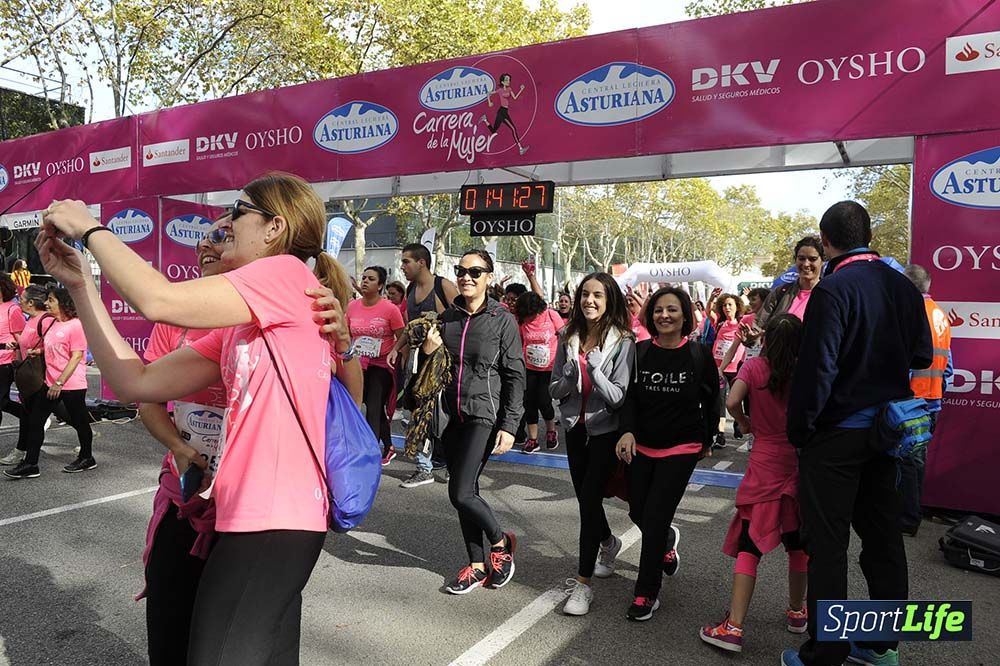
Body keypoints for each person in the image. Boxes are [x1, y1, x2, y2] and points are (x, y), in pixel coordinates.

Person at [37, 172, 350, 665]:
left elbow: (159, 299)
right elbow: (140, 382)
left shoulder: (285, 273)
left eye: (238, 211)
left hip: (273, 519)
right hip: (250, 518)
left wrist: (92, 230)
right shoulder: (242, 322)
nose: (223, 223)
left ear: (274, 228)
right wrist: (81, 287)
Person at [138, 218, 358, 665]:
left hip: (257, 517)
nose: (210, 245)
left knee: (254, 642)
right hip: (189, 497)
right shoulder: (181, 326)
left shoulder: (277, 316)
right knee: (175, 631)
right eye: (207, 238)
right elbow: (141, 388)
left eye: (224, 234)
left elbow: (344, 411)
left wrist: (345, 345)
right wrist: (181, 451)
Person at [782, 201, 932, 666]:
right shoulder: (903, 287)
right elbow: (923, 355)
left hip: (836, 439)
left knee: (828, 547)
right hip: (888, 436)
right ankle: (883, 646)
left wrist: (801, 431)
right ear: (870, 235)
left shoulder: (833, 289)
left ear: (826, 242)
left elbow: (817, 371)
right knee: (883, 540)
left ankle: (826, 653)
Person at [700, 314, 808, 653]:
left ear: (768, 339)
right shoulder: (807, 368)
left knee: (750, 544)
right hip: (798, 462)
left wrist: (746, 424)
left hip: (764, 462)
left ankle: (733, 627)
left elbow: (731, 401)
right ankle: (796, 612)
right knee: (797, 543)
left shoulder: (755, 367)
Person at [419, 249, 524, 594]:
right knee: (467, 491)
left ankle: (499, 543)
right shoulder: (448, 318)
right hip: (451, 415)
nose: (466, 277)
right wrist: (429, 353)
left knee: (461, 492)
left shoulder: (502, 319)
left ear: (489, 277)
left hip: (483, 414)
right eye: (461, 271)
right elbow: (433, 370)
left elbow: (514, 375)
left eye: (475, 272)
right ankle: (477, 566)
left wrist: (510, 425)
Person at [614, 286, 719, 622]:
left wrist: (709, 437)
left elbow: (712, 397)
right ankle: (666, 542)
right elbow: (629, 396)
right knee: (638, 511)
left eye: (672, 310)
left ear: (684, 315)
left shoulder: (699, 354)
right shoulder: (640, 351)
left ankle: (646, 592)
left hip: (682, 447)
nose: (664, 316)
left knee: (656, 516)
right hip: (643, 445)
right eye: (659, 310)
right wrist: (627, 431)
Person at [550, 273, 635, 616]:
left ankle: (582, 585)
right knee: (586, 499)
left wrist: (597, 371)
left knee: (588, 500)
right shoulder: (567, 336)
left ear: (609, 299)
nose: (589, 301)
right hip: (574, 429)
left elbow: (618, 398)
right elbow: (553, 390)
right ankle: (609, 542)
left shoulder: (624, 342)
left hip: (605, 434)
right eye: (585, 294)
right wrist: (568, 379)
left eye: (597, 295)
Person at [4, 286, 94, 478]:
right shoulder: (53, 324)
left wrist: (59, 383)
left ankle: (87, 457)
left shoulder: (76, 325)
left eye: (51, 300)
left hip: (71, 385)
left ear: (63, 303)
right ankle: (31, 464)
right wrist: (39, 351)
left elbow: (77, 356)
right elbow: (52, 347)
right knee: (35, 420)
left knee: (80, 421)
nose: (46, 303)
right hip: (50, 382)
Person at [390, 242, 458, 488]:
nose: (402, 266)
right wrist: (397, 349)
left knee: (443, 416)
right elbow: (410, 327)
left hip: (440, 364)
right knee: (414, 414)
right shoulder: (409, 289)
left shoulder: (443, 286)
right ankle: (424, 467)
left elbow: (463, 321)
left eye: (406, 261)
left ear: (422, 262)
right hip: (416, 363)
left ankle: (453, 465)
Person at [899, 264, 952, 537]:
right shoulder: (941, 315)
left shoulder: (910, 314)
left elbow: (903, 363)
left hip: (911, 402)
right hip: (932, 400)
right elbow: (949, 368)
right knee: (917, 460)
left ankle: (907, 520)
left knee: (908, 461)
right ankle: (908, 516)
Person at [0, 284, 68, 467]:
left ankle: (27, 459)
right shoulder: (30, 319)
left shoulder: (45, 320)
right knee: (40, 414)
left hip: (41, 376)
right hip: (27, 376)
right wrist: (17, 347)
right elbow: (23, 340)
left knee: (33, 417)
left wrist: (38, 351)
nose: (18, 301)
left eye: (21, 299)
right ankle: (83, 429)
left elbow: (58, 344)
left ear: (30, 302)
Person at [347, 266, 405, 465]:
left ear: (380, 285)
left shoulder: (390, 309)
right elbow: (346, 334)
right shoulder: (352, 306)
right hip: (357, 364)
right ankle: (388, 445)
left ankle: (369, 453)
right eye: (363, 278)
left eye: (371, 279)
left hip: (381, 365)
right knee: (372, 407)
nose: (364, 281)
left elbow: (402, 336)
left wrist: (397, 356)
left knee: (373, 407)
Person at [514, 290, 564, 453]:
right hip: (529, 367)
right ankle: (533, 439)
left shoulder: (550, 315)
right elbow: (520, 340)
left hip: (549, 368)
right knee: (529, 403)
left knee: (544, 400)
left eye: (531, 315)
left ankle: (551, 431)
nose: (529, 319)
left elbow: (566, 335)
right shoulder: (522, 320)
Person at [755, 237, 824, 333]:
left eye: (812, 259)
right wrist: (753, 337)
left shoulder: (829, 294)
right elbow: (758, 327)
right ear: (795, 260)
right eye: (801, 258)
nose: (806, 264)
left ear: (822, 261)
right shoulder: (780, 292)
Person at [713, 293, 747, 443]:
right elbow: (709, 312)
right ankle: (720, 434)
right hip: (719, 367)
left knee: (736, 399)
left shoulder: (742, 323)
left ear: (737, 307)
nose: (727, 308)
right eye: (724, 305)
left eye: (730, 305)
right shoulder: (720, 323)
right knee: (720, 400)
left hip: (736, 368)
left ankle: (737, 422)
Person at [480, 73, 529, 155]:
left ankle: (485, 119)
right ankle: (520, 149)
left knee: (494, 131)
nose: (508, 81)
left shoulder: (509, 89)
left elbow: (515, 97)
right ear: (502, 82)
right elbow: (489, 93)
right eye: (506, 80)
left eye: (509, 79)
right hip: (502, 112)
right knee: (513, 129)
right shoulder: (500, 90)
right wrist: (489, 102)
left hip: (504, 111)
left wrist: (521, 89)